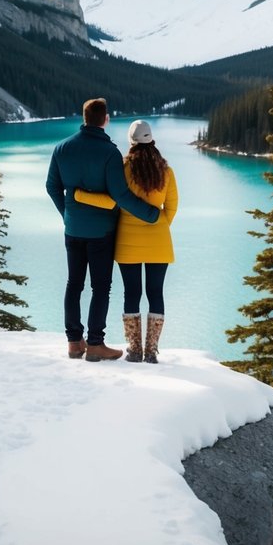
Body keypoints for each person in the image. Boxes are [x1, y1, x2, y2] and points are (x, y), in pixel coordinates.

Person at [46, 98, 160, 362]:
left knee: (74, 284)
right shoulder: (109, 152)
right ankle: (95, 344)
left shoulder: (61, 148)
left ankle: (74, 342)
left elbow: (52, 187)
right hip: (102, 233)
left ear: (84, 117)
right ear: (105, 119)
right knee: (100, 287)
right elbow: (120, 194)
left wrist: (67, 214)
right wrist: (151, 214)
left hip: (73, 230)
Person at [75, 119, 177, 364]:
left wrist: (79, 195)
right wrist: (158, 227)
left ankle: (134, 350)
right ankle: (151, 352)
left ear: (131, 142)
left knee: (132, 292)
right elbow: (171, 208)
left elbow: (111, 202)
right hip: (159, 241)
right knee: (155, 293)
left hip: (127, 242)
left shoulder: (123, 168)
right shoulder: (166, 170)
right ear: (151, 139)